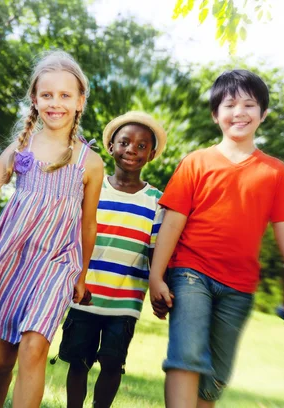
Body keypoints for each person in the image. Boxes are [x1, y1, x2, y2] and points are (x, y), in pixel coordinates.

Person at [149, 69, 284, 408]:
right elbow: (172, 224)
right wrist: (156, 275)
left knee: (215, 377)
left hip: (239, 285)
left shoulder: (275, 172)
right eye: (229, 104)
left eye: (249, 105)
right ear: (216, 114)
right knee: (187, 354)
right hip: (190, 271)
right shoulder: (196, 162)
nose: (239, 112)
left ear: (263, 114)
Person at [0, 50, 104, 408]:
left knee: (34, 347)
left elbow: (88, 222)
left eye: (65, 95)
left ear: (80, 101)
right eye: (47, 95)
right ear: (34, 99)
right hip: (11, 259)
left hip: (57, 263)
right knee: (3, 359)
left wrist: (81, 275)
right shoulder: (20, 150)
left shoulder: (90, 163)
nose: (55, 103)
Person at [58, 111, 167, 408]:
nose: (132, 149)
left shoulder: (157, 201)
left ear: (152, 154)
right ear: (111, 147)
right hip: (85, 292)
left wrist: (162, 286)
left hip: (125, 299)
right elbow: (73, 233)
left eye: (142, 146)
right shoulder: (93, 187)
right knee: (79, 361)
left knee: (111, 362)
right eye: (125, 142)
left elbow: (156, 250)